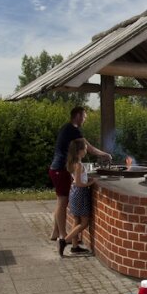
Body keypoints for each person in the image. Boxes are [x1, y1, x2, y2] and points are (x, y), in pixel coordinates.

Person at [48, 106, 111, 252]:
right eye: (84, 116)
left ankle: (55, 233)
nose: (85, 119)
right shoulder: (73, 129)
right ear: (77, 116)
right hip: (60, 170)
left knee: (60, 201)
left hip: (57, 169)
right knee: (62, 202)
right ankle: (63, 236)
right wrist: (105, 155)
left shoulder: (67, 128)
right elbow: (88, 148)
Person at [59, 138, 96, 256]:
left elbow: (77, 180)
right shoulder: (79, 165)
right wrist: (92, 182)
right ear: (79, 151)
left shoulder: (73, 163)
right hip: (80, 193)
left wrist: (87, 179)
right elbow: (80, 183)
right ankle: (64, 241)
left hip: (74, 192)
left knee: (76, 220)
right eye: (85, 148)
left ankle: (75, 247)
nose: (86, 150)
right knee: (84, 223)